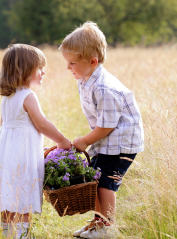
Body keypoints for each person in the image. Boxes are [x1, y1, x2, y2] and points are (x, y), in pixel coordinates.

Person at [59, 22, 144, 238]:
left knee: (105, 183)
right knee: (94, 180)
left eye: (72, 63)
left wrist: (86, 140)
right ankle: (98, 223)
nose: (68, 68)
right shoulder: (86, 79)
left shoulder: (104, 88)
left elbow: (107, 124)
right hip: (107, 142)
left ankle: (107, 227)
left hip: (120, 143)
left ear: (92, 61)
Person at [0, 44, 71, 238]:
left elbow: (4, 125)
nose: (43, 72)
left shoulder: (7, 98)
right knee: (22, 197)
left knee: (9, 197)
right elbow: (43, 125)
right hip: (23, 156)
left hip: (6, 155)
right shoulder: (28, 96)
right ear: (24, 71)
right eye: (39, 68)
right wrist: (62, 140)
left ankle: (8, 234)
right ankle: (22, 236)